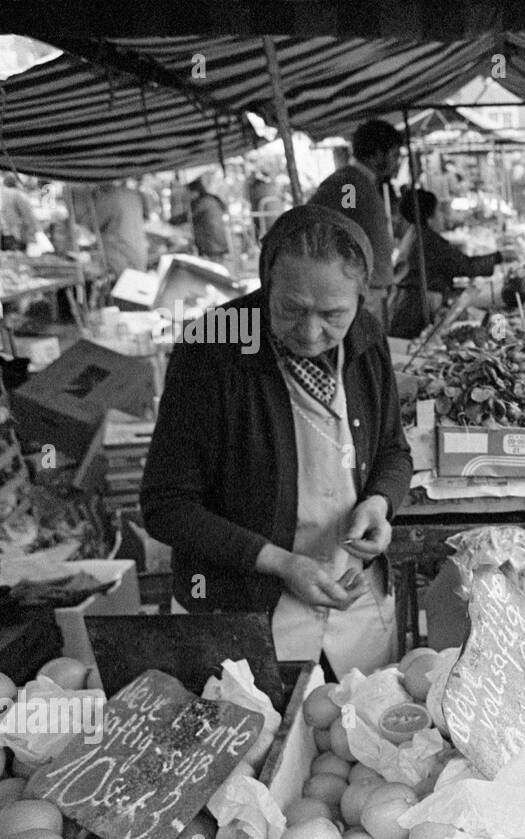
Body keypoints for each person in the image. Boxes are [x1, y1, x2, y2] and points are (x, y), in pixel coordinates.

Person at [141, 205, 412, 675]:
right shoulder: (211, 349)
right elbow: (168, 505)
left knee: (356, 736)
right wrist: (281, 563)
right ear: (267, 282)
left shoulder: (366, 337)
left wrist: (380, 504)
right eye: (290, 309)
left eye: (332, 314)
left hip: (354, 607)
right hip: (246, 616)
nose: (311, 332)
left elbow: (392, 449)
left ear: (361, 297)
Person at [310, 119, 404, 320]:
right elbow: (345, 222)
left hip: (371, 288)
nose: (397, 162)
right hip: (360, 292)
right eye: (395, 155)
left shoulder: (361, 182)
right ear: (378, 153)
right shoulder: (349, 184)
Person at [388, 189, 507, 342]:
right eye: (438, 211)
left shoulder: (415, 233)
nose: (442, 216)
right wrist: (499, 257)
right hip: (414, 310)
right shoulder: (428, 241)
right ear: (428, 217)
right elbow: (466, 266)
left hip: (405, 305)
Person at [90, 181, 149, 278]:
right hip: (138, 255)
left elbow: (93, 224)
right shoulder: (132, 194)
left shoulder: (110, 198)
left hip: (121, 259)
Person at [172, 177, 230, 260]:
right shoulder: (209, 200)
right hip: (215, 243)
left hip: (211, 244)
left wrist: (171, 222)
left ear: (194, 192)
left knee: (212, 268)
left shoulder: (203, 203)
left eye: (188, 193)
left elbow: (188, 216)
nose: (187, 196)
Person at [1, 173, 40, 251]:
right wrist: (32, 235)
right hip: (16, 234)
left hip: (4, 234)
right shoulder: (19, 195)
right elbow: (28, 216)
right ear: (16, 183)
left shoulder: (2, 193)